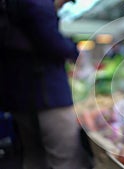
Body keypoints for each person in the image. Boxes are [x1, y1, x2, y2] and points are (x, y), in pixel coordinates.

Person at [0, 0, 91, 169]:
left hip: (20, 97)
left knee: (34, 157)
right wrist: (73, 49)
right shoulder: (37, 4)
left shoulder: (12, 11)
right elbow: (51, 41)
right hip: (47, 96)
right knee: (66, 159)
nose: (62, 6)